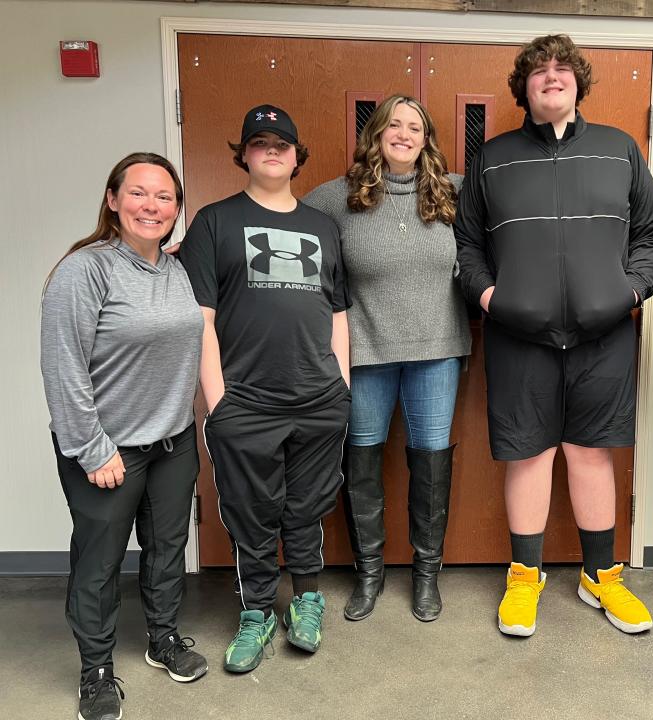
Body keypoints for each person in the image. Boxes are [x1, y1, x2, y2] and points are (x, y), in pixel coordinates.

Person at [455, 34, 653, 637]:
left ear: (579, 83)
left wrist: (630, 292)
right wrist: (490, 295)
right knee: (527, 453)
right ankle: (525, 576)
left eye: (563, 69)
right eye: (539, 71)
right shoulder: (492, 158)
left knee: (591, 452)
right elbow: (468, 244)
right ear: (523, 88)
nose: (552, 77)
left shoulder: (619, 149)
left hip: (604, 336)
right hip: (519, 335)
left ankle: (601, 576)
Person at [179, 105, 351, 673]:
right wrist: (218, 403)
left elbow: (338, 315)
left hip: (318, 399)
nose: (271, 150)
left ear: (298, 156)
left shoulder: (324, 227)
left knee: (305, 510)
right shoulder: (213, 222)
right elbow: (201, 319)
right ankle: (256, 610)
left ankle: (305, 600)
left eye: (282, 142)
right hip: (245, 403)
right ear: (245, 154)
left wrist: (342, 388)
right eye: (259, 141)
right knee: (251, 513)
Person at [41, 153, 208, 720]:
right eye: (138, 193)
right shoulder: (84, 270)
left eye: (165, 198)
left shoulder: (180, 269)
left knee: (166, 552)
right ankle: (96, 669)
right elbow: (63, 367)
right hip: (107, 449)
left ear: (177, 209)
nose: (152, 206)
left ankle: (163, 639)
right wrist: (93, 448)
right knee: (100, 562)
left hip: (173, 442)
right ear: (113, 200)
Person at [304, 95, 470, 623]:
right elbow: (276, 220)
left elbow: (512, 225)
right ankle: (369, 574)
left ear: (428, 139)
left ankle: (426, 575)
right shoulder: (337, 197)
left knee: (430, 462)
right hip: (365, 353)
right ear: (375, 134)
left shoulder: (454, 192)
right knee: (363, 463)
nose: (403, 134)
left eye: (415, 126)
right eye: (393, 125)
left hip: (437, 351)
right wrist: (190, 247)